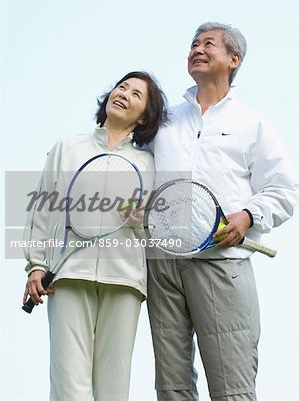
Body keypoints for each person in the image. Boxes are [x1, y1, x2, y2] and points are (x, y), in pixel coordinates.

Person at [147, 22, 298, 401]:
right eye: (193, 44)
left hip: (220, 260)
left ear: (234, 59)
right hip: (162, 263)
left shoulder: (251, 123)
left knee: (232, 387)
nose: (197, 49)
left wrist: (247, 217)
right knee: (171, 387)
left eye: (208, 44)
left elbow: (284, 190)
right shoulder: (164, 120)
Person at [22, 71, 168, 401]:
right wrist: (35, 266)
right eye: (122, 87)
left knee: (114, 388)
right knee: (68, 385)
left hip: (125, 281)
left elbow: (158, 228)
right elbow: (41, 211)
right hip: (68, 275)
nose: (124, 94)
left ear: (144, 115)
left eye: (136, 94)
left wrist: (141, 219)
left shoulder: (150, 164)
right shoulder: (67, 148)